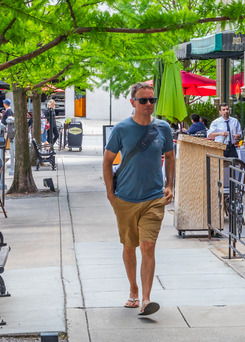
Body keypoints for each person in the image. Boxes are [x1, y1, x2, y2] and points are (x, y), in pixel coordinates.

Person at [103, 82, 175, 317]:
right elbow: (107, 161)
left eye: (151, 100)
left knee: (148, 245)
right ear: (133, 102)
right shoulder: (121, 129)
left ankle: (145, 299)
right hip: (125, 197)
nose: (148, 104)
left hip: (154, 197)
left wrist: (169, 184)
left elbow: (170, 156)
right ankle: (133, 289)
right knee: (129, 246)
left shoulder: (163, 128)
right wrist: (111, 194)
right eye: (143, 100)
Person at [3, 99, 16, 175]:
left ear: (5, 104)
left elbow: (9, 120)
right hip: (7, 130)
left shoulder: (9, 111)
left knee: (7, 143)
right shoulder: (8, 111)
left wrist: (7, 128)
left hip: (7, 130)